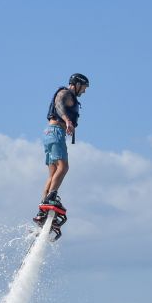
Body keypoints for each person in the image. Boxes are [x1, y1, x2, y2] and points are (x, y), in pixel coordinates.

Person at [39, 73, 90, 212]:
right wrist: (67, 120)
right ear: (77, 84)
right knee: (64, 167)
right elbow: (58, 104)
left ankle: (43, 207)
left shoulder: (69, 95)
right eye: (84, 87)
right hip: (56, 132)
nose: (84, 91)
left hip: (49, 133)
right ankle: (51, 197)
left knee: (53, 173)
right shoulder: (65, 93)